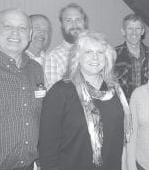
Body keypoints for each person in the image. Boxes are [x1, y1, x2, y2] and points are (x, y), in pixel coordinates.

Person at [39, 31, 131, 170]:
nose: (95, 57)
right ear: (77, 57)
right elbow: (48, 147)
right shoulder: (61, 92)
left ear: (107, 58)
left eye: (100, 52)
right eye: (88, 52)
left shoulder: (115, 91)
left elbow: (120, 138)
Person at [0, 8, 45, 170]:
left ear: (29, 34)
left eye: (22, 28)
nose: (15, 33)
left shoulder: (36, 69)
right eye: (7, 27)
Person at [44, 3, 89, 89]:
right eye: (68, 20)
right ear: (62, 26)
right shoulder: (53, 58)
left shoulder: (97, 52)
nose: (74, 24)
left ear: (85, 23)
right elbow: (57, 97)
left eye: (78, 19)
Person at [115, 13, 149, 102]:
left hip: (148, 107)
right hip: (122, 109)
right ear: (123, 31)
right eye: (130, 29)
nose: (134, 33)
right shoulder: (113, 54)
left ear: (142, 31)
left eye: (138, 28)